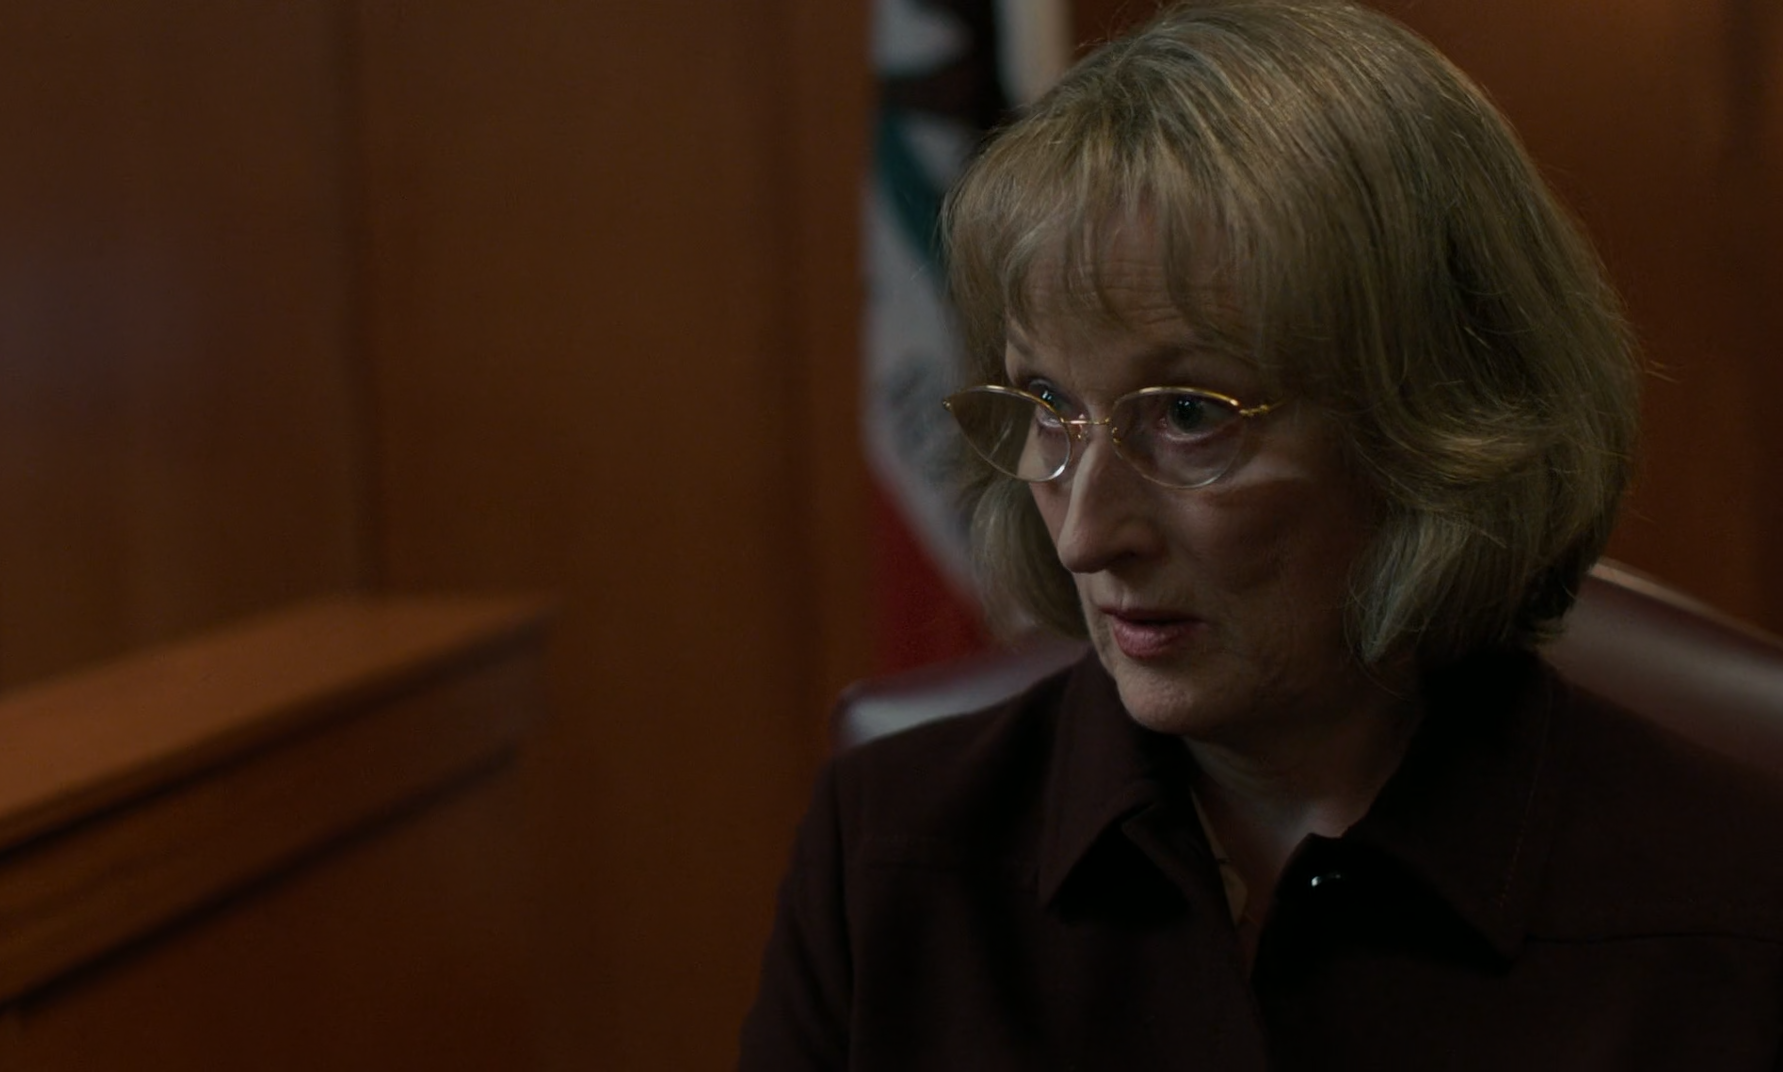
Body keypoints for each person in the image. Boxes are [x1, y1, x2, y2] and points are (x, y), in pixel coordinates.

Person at [739, 0, 1783, 1068]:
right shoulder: (888, 852)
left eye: (1190, 415)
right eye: (1048, 404)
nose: (1086, 535)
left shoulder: (1735, 903)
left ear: (1434, 428)